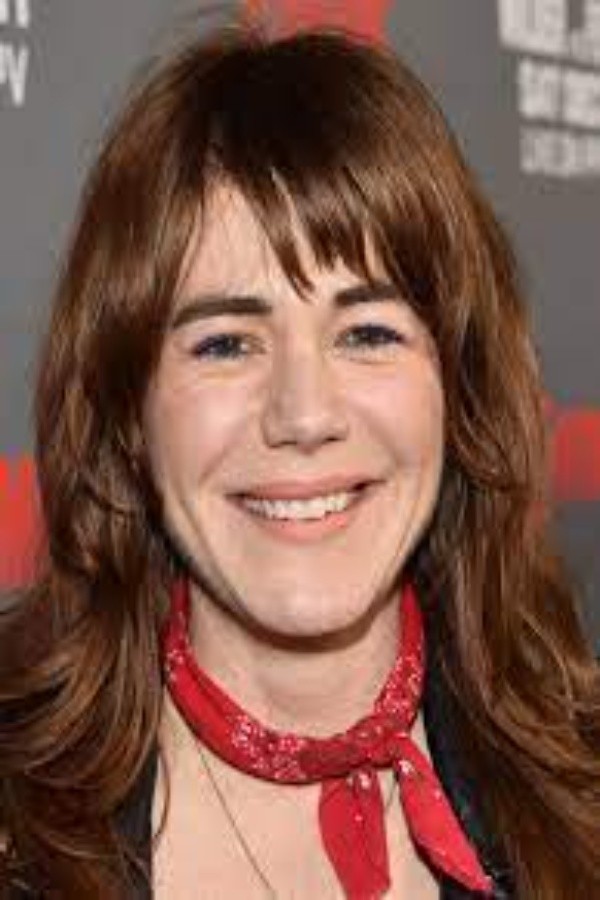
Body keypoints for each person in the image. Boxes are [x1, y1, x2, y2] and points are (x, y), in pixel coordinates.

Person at [1, 24, 600, 900]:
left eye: (368, 332)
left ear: (457, 387)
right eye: (226, 343)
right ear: (130, 412)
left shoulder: (582, 781)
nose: (305, 415)